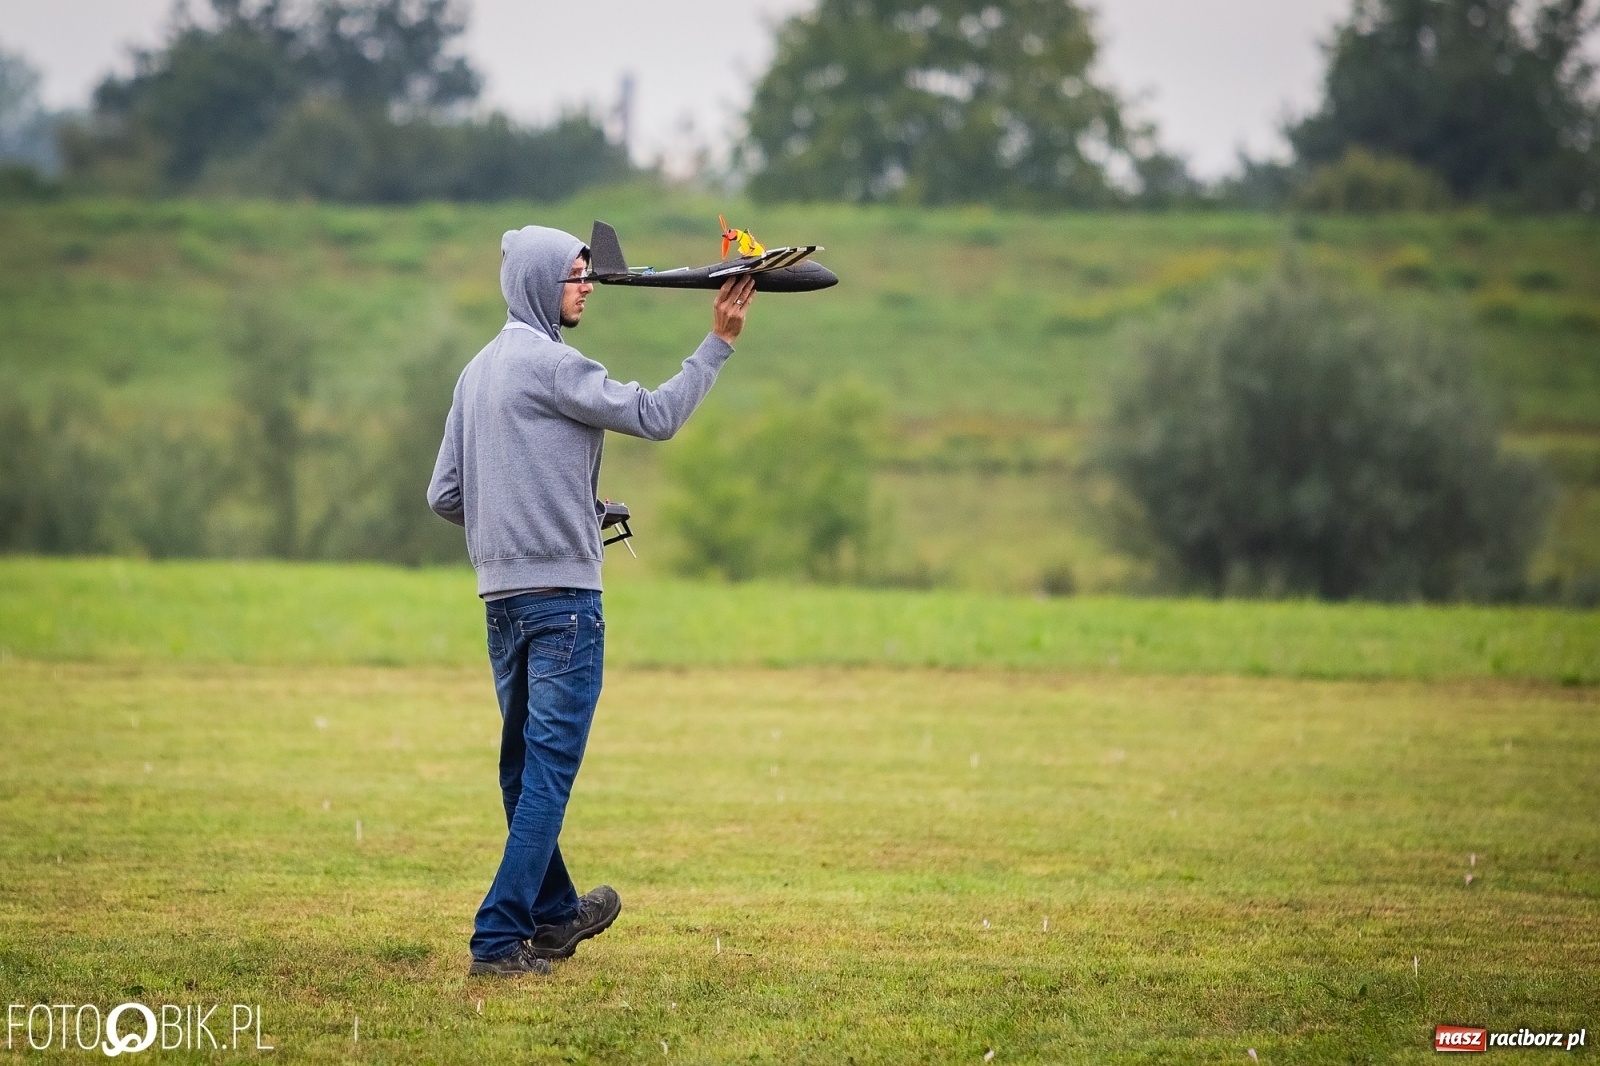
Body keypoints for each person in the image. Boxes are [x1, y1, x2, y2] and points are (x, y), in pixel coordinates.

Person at [427, 224, 756, 977]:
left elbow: (446, 495)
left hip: (502, 602)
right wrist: (719, 343)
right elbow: (656, 416)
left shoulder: (476, 373)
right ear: (542, 285)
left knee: (520, 771)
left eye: (587, 274)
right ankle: (496, 939)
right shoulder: (554, 365)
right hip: (566, 604)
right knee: (546, 774)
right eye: (576, 277)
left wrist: (549, 507)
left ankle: (553, 916)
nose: (587, 288)